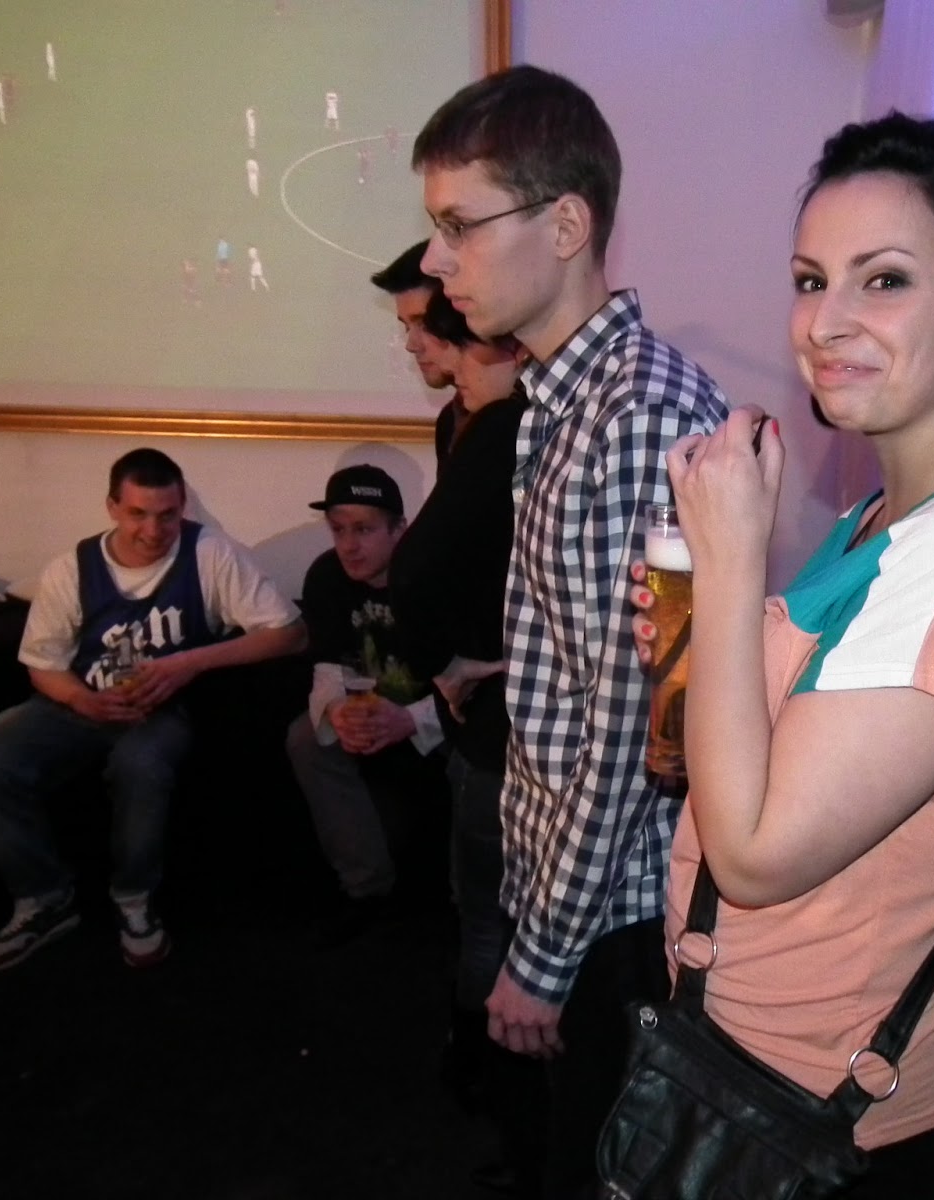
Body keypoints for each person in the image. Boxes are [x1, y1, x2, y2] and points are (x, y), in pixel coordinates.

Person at [633, 115, 934, 1198]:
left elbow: (754, 855)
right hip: (745, 1066)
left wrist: (729, 565)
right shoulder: (891, 512)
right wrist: (715, 653)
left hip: (820, 1128)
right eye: (809, 280)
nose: (824, 322)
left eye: (883, 280)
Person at [414, 64, 729, 1196]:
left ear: (564, 225)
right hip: (570, 890)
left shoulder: (635, 411)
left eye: (459, 225)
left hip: (614, 917)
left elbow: (632, 731)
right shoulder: (561, 399)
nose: (436, 260)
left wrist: (542, 959)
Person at [0, 449, 304, 974]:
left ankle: (134, 899)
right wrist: (81, 698)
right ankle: (43, 900)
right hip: (82, 700)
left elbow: (289, 634)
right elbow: (41, 665)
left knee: (141, 766)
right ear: (112, 508)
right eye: (138, 514)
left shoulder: (209, 553)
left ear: (182, 507)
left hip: (162, 708)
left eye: (167, 515)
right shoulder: (71, 568)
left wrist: (189, 662)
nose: (153, 530)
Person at [383, 303, 534, 1187]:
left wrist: (453, 662)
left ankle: (486, 1070)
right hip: (493, 722)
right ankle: (485, 1069)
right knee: (487, 913)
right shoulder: (477, 423)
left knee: (489, 912)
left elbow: (422, 569)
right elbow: (425, 570)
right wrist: (446, 664)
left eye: (431, 329)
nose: (416, 342)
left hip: (505, 722)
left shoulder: (506, 424)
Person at [284, 466, 447, 945]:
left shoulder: (434, 577)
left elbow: (475, 685)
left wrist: (411, 719)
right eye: (338, 530)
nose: (349, 546)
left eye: (364, 530)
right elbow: (326, 667)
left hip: (438, 714)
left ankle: (468, 902)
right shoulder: (326, 576)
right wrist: (338, 711)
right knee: (305, 737)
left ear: (399, 530)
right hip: (368, 709)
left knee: (478, 753)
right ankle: (368, 890)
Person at [369, 241, 463, 468]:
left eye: (425, 324)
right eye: (406, 326)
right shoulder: (450, 421)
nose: (411, 345)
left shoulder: (528, 417)